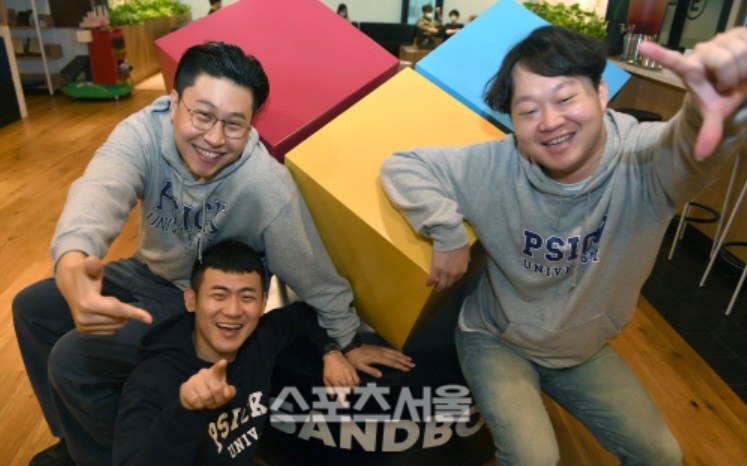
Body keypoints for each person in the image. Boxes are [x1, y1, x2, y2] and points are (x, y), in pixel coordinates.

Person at [13, 41, 413, 466]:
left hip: (192, 297)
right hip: (143, 270)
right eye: (202, 115)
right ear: (174, 103)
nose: (215, 138)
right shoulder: (143, 132)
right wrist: (74, 256)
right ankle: (75, 434)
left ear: (251, 123)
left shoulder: (265, 184)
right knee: (32, 308)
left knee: (72, 360)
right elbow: (101, 187)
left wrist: (345, 339)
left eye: (234, 124)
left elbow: (310, 268)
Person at [381, 25, 747, 465]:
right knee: (534, 458)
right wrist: (447, 232)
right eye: (528, 110)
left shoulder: (642, 164)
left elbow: (688, 149)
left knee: (661, 455)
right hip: (498, 337)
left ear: (601, 93)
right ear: (512, 121)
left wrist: (715, 111)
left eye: (566, 98)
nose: (550, 121)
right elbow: (404, 165)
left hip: (580, 348)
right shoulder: (496, 164)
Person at [113, 240, 355, 465]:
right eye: (219, 295)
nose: (233, 310)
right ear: (191, 300)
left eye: (247, 297)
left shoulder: (261, 338)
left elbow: (301, 315)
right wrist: (185, 410)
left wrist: (331, 352)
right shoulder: (152, 381)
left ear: (262, 304)